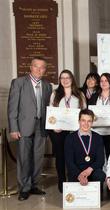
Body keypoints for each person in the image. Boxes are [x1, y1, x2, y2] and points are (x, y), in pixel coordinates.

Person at [8, 57, 52, 201]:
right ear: (30, 67)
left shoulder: (47, 85)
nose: (39, 70)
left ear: (45, 70)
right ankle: (24, 188)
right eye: (36, 66)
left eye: (42, 67)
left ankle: (34, 184)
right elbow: (12, 108)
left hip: (41, 126)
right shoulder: (18, 83)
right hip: (23, 127)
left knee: (38, 157)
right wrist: (13, 128)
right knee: (24, 158)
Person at [49, 69, 86, 193]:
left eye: (67, 78)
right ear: (60, 80)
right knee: (60, 156)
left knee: (74, 155)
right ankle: (61, 180)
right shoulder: (55, 94)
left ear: (72, 79)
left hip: (75, 131)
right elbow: (51, 113)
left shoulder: (80, 94)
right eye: (62, 78)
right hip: (59, 131)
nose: (65, 80)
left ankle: (74, 179)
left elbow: (84, 112)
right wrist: (54, 126)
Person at [64, 109, 106, 194]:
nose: (86, 124)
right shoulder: (70, 138)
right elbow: (69, 161)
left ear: (92, 122)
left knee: (100, 175)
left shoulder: (98, 138)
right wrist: (79, 175)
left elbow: (100, 160)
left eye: (89, 121)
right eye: (83, 120)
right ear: (79, 121)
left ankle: (96, 194)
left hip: (92, 171)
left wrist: (89, 170)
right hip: (76, 171)